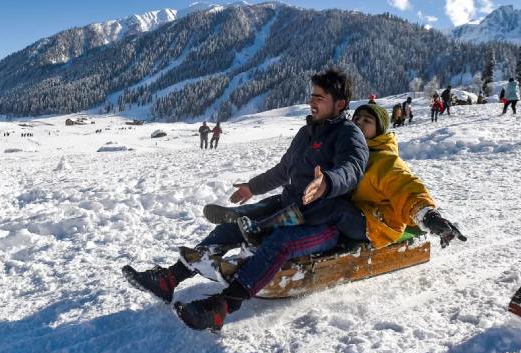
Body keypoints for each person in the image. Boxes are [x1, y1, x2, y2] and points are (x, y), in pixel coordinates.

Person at [123, 69, 369, 331]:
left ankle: (222, 307)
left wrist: (327, 182)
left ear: (340, 104)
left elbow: (352, 169)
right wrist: (252, 187)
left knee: (279, 243)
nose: (312, 101)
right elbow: (283, 170)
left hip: (325, 220)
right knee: (233, 226)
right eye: (312, 96)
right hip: (291, 206)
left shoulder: (349, 134)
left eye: (320, 97)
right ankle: (170, 279)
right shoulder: (306, 133)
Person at [350, 104, 466, 248]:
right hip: (360, 211)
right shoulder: (351, 151)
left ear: (379, 129)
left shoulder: (384, 160)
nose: (359, 123)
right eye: (356, 118)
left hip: (380, 223)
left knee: (333, 211)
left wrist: (428, 216)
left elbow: (405, 187)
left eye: (367, 121)